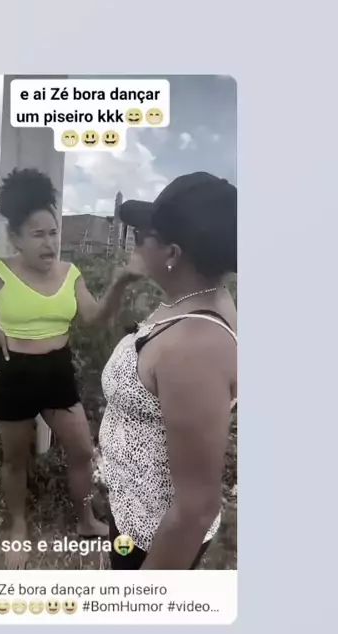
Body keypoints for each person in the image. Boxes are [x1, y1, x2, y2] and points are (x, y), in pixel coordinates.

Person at [0, 168, 142, 567]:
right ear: (16, 238)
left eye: (53, 232)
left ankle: (85, 520)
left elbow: (93, 319)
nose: (49, 242)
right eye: (38, 234)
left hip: (56, 372)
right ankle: (18, 527)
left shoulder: (70, 274)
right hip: (12, 372)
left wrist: (119, 282)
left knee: (82, 450)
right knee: (16, 458)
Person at [99, 172, 237, 570]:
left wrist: (148, 595)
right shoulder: (193, 300)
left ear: (171, 253)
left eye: (145, 235)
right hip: (133, 513)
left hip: (155, 538)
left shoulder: (194, 347)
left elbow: (197, 508)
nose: (136, 242)